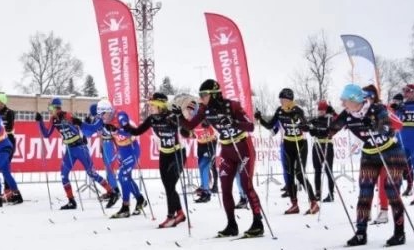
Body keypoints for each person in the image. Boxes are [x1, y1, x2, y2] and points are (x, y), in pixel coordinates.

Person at [180, 79, 264, 238]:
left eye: (203, 95)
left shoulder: (232, 105)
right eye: (200, 95)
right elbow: (189, 126)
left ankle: (258, 222)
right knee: (225, 188)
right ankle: (231, 225)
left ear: (214, 94)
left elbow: (250, 126)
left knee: (246, 185)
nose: (201, 98)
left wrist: (233, 122)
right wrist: (178, 116)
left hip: (243, 146)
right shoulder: (204, 110)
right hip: (226, 149)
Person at [328, 84, 408, 246]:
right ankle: (360, 233)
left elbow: (388, 128)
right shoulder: (348, 114)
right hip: (370, 154)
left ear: (354, 99)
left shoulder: (376, 109)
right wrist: (316, 130)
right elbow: (332, 129)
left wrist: (375, 126)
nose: (343, 104)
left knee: (391, 191)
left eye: (345, 100)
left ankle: (399, 233)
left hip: (390, 152)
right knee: (364, 193)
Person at [36, 97, 115, 210]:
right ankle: (71, 201)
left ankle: (111, 192)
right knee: (64, 175)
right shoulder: (53, 119)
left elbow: (77, 129)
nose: (50, 110)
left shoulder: (67, 115)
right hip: (69, 150)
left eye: (51, 107)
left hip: (80, 147)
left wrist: (67, 124)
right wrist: (40, 122)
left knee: (91, 173)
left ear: (56, 107)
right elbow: (46, 134)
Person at [122, 92, 186, 227]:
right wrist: (124, 126)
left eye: (152, 105)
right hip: (164, 154)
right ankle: (180, 213)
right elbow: (137, 131)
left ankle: (171, 216)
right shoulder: (152, 119)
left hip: (177, 153)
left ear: (160, 105)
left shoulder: (171, 116)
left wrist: (179, 117)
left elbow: (185, 129)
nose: (150, 107)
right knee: (168, 186)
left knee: (170, 185)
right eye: (149, 105)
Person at [255, 88, 315, 215]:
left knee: (299, 173)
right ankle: (294, 204)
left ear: (290, 100)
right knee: (289, 174)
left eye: (283, 99)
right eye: (280, 99)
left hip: (300, 143)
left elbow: (307, 127)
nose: (281, 102)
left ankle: (313, 201)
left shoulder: (298, 110)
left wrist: (298, 120)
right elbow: (271, 125)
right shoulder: (280, 110)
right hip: (288, 144)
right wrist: (260, 119)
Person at [103, 112, 146, 218]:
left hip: (131, 149)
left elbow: (130, 132)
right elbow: (92, 130)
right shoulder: (104, 121)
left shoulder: (120, 117)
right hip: (122, 151)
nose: (103, 117)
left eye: (105, 114)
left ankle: (125, 207)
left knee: (122, 176)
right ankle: (140, 200)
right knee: (126, 178)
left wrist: (116, 130)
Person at [306, 100, 336, 203]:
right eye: (319, 110)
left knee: (328, 170)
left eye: (323, 110)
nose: (321, 112)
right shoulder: (315, 120)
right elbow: (308, 129)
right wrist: (311, 129)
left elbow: (338, 121)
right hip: (317, 146)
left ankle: (331, 194)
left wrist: (333, 112)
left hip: (328, 145)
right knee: (317, 170)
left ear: (326, 110)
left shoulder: (330, 119)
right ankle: (317, 193)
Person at [397, 84, 414, 205]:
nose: (406, 93)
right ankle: (403, 189)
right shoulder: (401, 106)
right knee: (403, 167)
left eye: (408, 91)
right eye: (404, 91)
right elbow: (394, 121)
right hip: (403, 141)